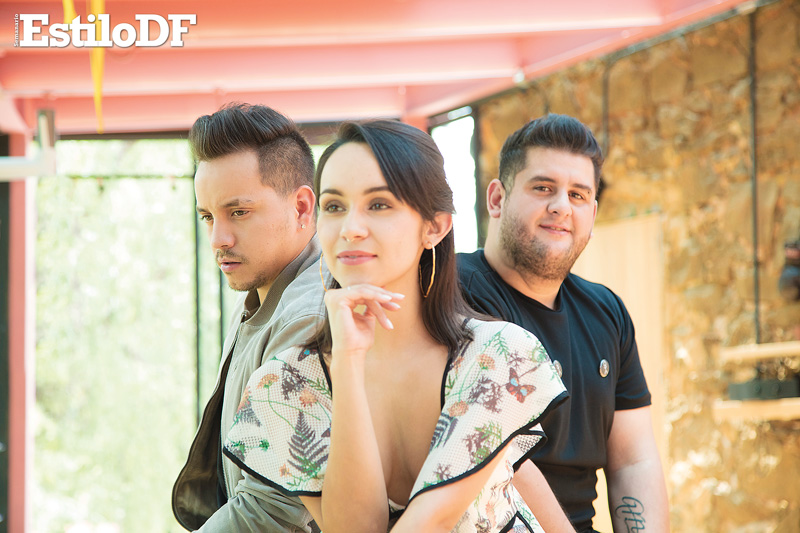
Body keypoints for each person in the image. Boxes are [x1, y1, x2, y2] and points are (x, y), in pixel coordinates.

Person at [221, 120, 570, 532]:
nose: (350, 228)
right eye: (334, 207)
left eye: (379, 205)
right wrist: (347, 363)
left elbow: (432, 522)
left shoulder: (497, 355)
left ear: (434, 226)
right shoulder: (285, 384)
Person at [457, 113, 670, 533]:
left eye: (577, 195)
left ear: (592, 212)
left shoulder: (607, 313)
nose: (561, 206)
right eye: (543, 188)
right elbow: (505, 459)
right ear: (496, 199)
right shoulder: (456, 294)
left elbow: (634, 460)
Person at [171, 103, 325, 532]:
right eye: (207, 217)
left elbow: (272, 511)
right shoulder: (261, 292)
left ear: (301, 207)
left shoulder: (309, 315)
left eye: (238, 212)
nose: (218, 239)